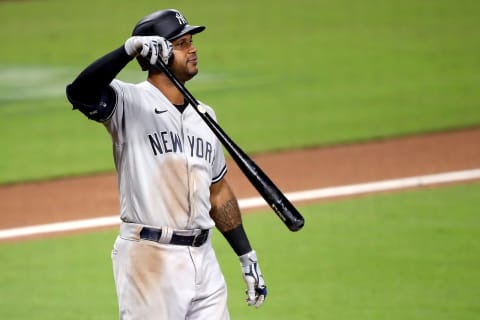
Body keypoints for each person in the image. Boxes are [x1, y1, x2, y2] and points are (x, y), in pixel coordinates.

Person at [65, 8, 267, 320]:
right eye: (182, 43)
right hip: (150, 259)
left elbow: (218, 193)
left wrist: (246, 254)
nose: (193, 49)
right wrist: (126, 50)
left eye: (191, 41)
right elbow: (79, 93)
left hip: (204, 258)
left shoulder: (205, 116)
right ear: (156, 52)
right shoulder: (129, 103)